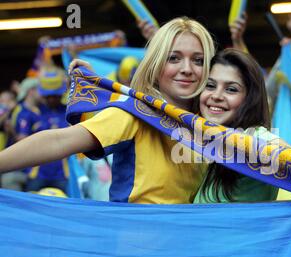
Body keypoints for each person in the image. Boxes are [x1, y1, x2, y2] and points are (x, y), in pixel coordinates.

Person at [0, 17, 216, 204]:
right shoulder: (135, 114)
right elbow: (59, 141)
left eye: (198, 60)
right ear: (155, 65)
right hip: (139, 248)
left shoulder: (214, 124)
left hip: (194, 248)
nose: (187, 69)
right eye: (174, 58)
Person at [193, 48, 291, 223]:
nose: (216, 95)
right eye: (210, 85)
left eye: (231, 89)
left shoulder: (253, 135)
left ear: (249, 99)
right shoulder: (206, 138)